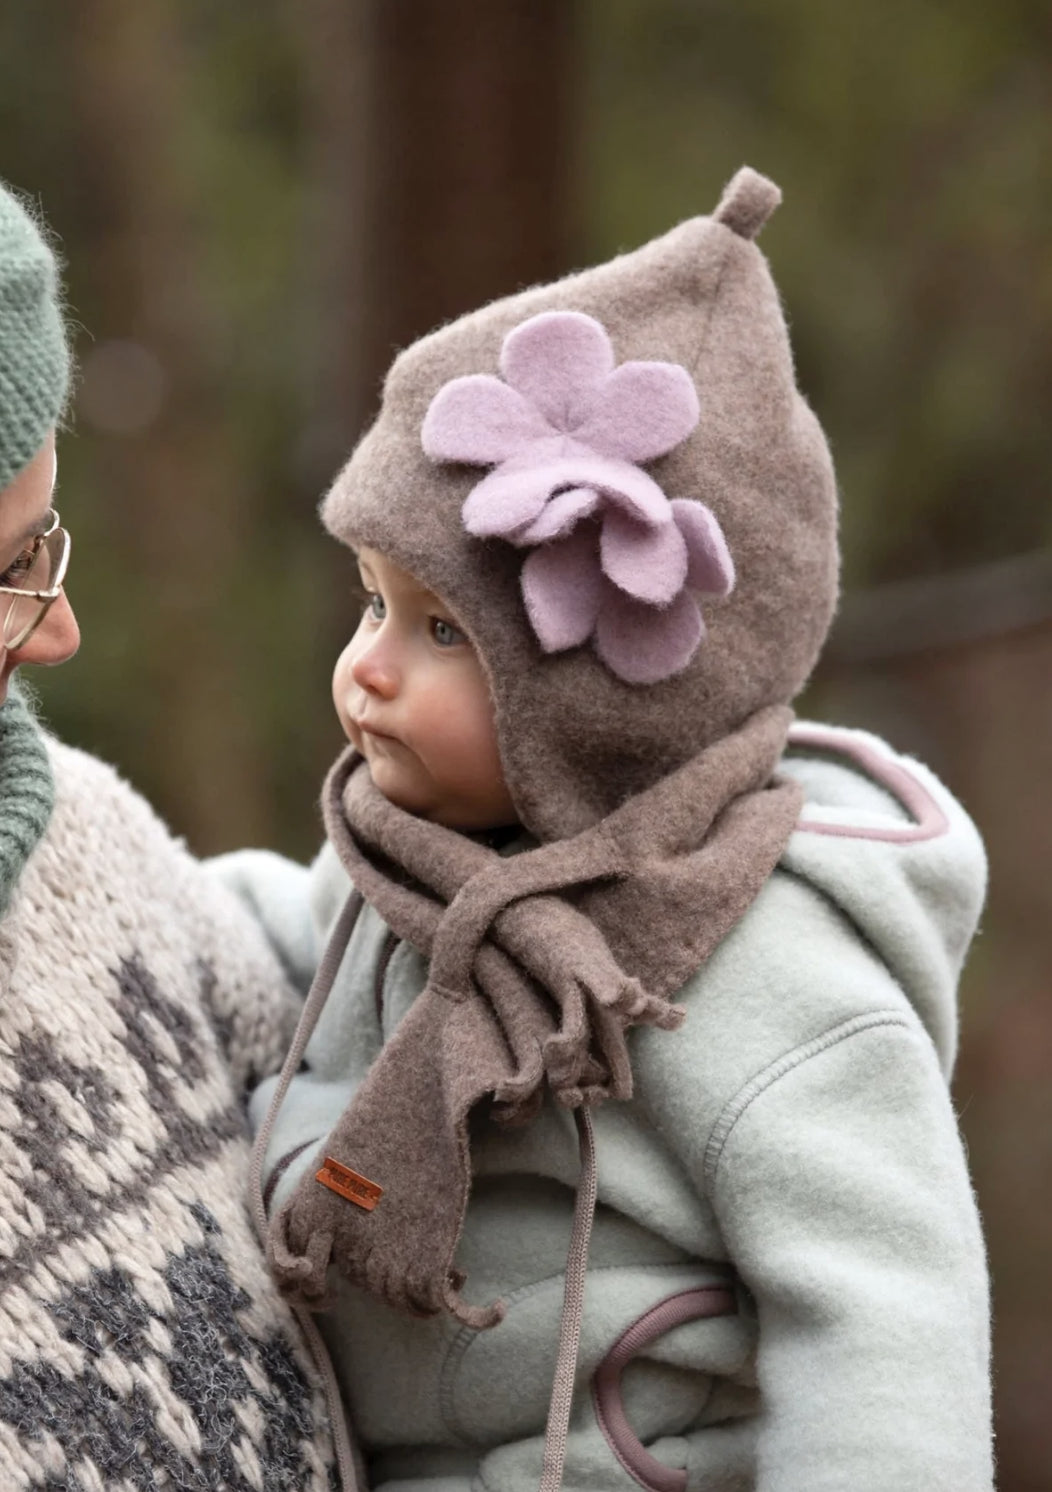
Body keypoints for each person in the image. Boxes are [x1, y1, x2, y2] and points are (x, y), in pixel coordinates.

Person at [220, 168, 993, 1492]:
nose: (369, 671)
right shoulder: (404, 872)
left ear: (600, 702)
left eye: (442, 631)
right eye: (372, 607)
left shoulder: (770, 971)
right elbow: (247, 936)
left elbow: (886, 1324)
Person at [0, 178, 344, 1487]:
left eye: (46, 543)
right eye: (9, 569)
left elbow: (356, 1075)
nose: (59, 627)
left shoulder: (94, 842)